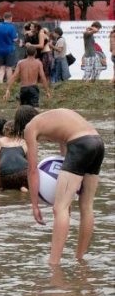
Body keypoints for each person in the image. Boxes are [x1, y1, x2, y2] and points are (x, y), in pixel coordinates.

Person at [14, 106, 105, 266]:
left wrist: (35, 205)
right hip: (97, 143)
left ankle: (53, 264)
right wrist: (67, 196)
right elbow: (64, 158)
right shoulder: (52, 119)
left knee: (59, 208)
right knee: (87, 206)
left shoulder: (30, 127)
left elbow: (33, 170)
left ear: (20, 125)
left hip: (80, 145)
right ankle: (80, 258)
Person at [0, 12, 18, 83]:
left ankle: (1, 81)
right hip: (9, 49)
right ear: (10, 18)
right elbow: (14, 39)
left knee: (1, 66)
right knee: (9, 67)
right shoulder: (11, 27)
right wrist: (17, 37)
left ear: (3, 18)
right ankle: (9, 82)